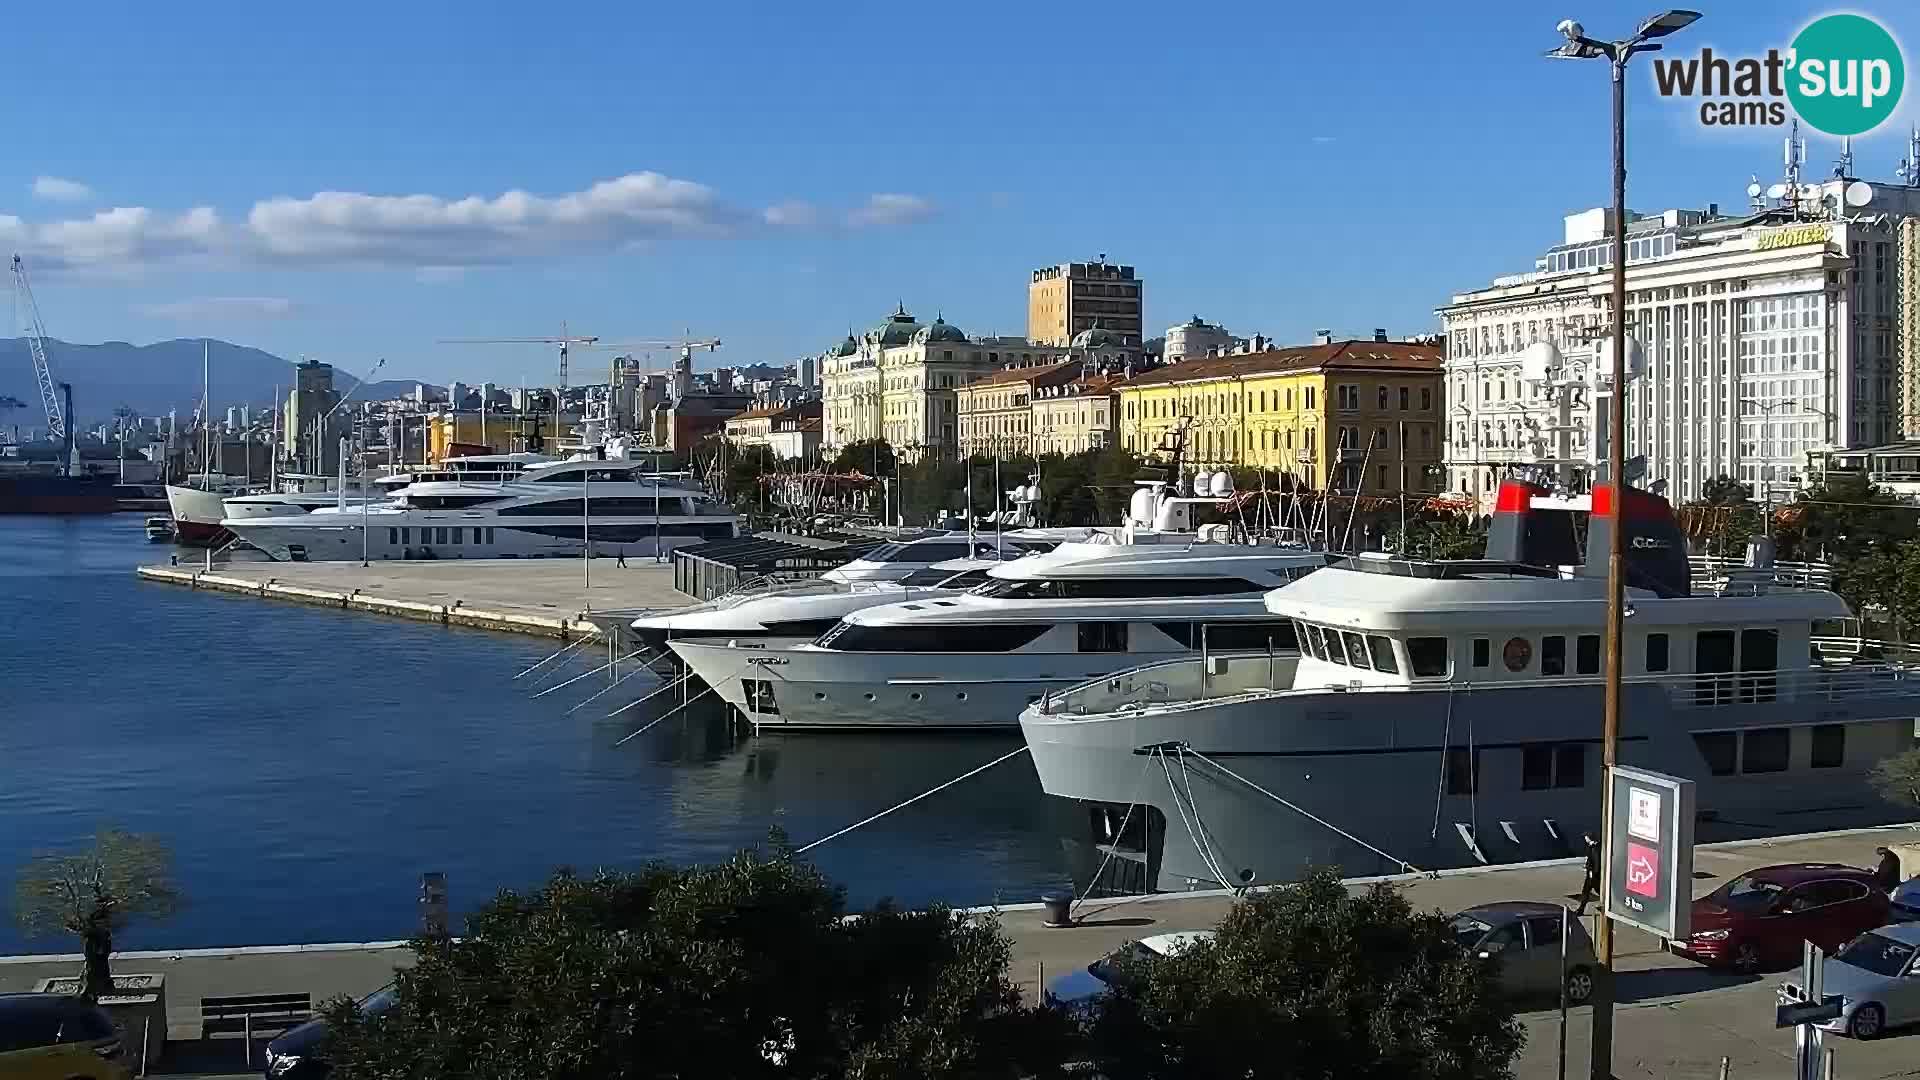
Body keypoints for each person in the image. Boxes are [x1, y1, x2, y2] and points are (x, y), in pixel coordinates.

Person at [1575, 833, 1602, 915]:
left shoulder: (1595, 849)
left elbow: (1596, 863)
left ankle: (1580, 910)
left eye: (1586, 837)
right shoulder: (1592, 847)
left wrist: (1592, 873)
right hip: (1591, 874)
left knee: (1597, 891)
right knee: (1586, 892)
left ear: (1590, 838)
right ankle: (1580, 909)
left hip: (1593, 875)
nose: (1585, 838)